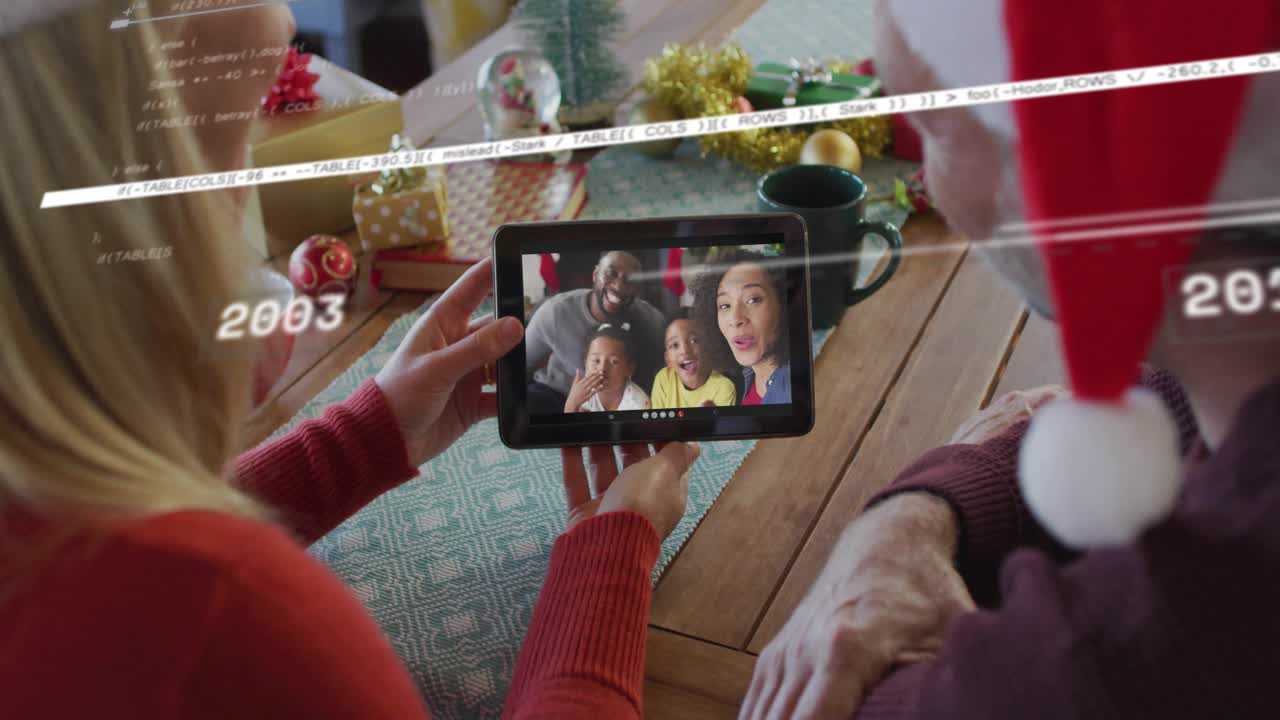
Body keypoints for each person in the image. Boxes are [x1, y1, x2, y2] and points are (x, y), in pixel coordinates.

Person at [0, 3, 698, 718]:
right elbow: (169, 600)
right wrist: (611, 554)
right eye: (232, 152)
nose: (242, 197)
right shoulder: (237, 618)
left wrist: (357, 442)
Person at [741, 0, 1280, 718]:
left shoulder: (1092, 672)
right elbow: (1183, 396)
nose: (928, 184)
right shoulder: (1243, 353)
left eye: (930, 127)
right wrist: (923, 513)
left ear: (1074, 175)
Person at [525, 250, 666, 414]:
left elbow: (668, 375)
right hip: (557, 395)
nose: (619, 286)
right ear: (595, 275)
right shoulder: (556, 312)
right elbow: (520, 364)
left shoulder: (653, 322)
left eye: (630, 280)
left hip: (619, 405)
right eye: (610, 273)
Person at [691, 249, 792, 406]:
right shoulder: (750, 375)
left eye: (753, 300)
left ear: (784, 304)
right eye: (725, 305)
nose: (735, 319)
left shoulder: (794, 390)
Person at [650, 308, 737, 409]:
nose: (685, 350)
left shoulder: (723, 388)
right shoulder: (664, 379)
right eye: (674, 345)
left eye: (694, 340)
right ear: (668, 359)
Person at [564, 323, 652, 413]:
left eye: (614, 362)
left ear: (630, 369)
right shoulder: (583, 393)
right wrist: (572, 402)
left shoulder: (638, 404)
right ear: (585, 363)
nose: (602, 368)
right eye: (596, 360)